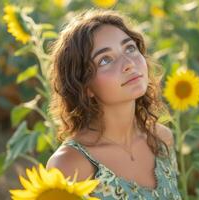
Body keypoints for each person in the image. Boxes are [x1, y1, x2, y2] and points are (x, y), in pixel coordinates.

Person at [46, 8, 181, 200]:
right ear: (85, 86)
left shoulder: (162, 140)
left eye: (130, 48)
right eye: (105, 60)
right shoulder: (71, 165)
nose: (129, 63)